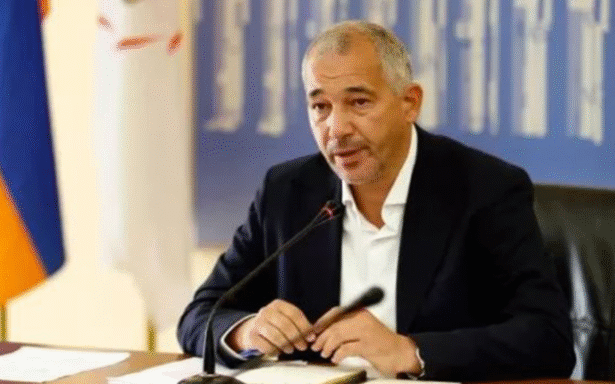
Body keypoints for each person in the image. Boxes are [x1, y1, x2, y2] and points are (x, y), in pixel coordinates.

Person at [177, 21, 575, 381]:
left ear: (409, 103)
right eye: (320, 106)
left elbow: (549, 338)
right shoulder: (287, 192)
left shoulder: (485, 189)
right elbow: (200, 315)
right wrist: (246, 331)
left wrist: (410, 352)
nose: (337, 128)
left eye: (359, 102)